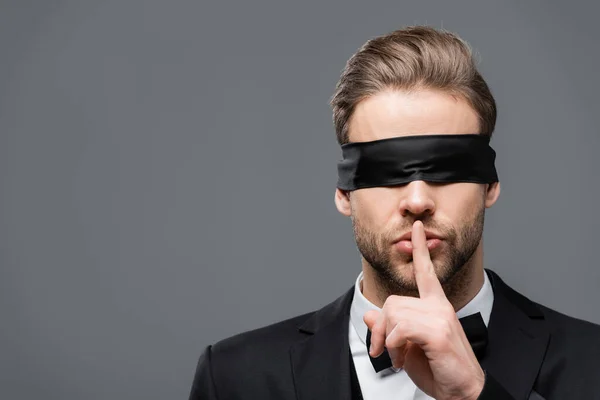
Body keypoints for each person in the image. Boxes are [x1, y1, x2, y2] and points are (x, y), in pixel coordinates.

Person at [188, 26, 600, 400]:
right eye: (386, 173)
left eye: (448, 168)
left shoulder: (591, 365)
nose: (417, 199)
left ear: (489, 184)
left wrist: (476, 395)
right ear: (344, 192)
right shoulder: (234, 379)